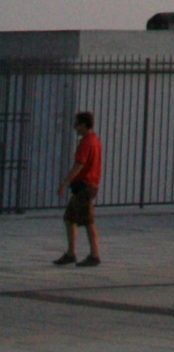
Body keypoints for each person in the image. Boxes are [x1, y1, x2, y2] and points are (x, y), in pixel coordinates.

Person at [56, 112, 102, 267]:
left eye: (77, 124)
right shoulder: (95, 141)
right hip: (86, 186)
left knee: (88, 221)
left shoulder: (86, 143)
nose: (75, 127)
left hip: (85, 186)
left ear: (84, 124)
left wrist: (65, 181)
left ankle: (94, 255)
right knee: (69, 218)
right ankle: (71, 253)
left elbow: (79, 165)